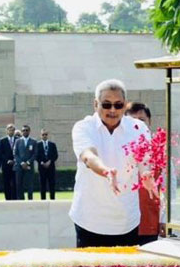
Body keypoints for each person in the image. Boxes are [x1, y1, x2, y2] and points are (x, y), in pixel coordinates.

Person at [70, 79, 157, 248]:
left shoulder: (139, 128)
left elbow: (143, 161)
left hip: (127, 221)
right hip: (89, 219)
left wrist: (146, 174)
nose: (112, 110)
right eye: (106, 104)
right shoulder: (83, 127)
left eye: (118, 105)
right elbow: (88, 156)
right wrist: (106, 171)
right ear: (96, 104)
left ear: (125, 105)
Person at [125, 102, 163, 244]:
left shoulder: (159, 149)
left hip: (149, 221)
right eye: (132, 121)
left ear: (149, 122)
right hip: (123, 222)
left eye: (141, 120)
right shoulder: (120, 149)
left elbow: (168, 185)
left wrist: (165, 219)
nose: (137, 125)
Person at [14, 124, 37, 200]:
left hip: (29, 166)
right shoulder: (17, 141)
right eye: (23, 130)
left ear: (29, 131)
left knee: (30, 185)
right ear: (21, 132)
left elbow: (35, 154)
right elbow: (15, 154)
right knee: (19, 185)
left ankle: (30, 201)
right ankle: (20, 201)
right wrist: (22, 163)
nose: (25, 131)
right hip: (19, 167)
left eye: (27, 130)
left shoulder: (33, 142)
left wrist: (27, 163)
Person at [36, 129, 58, 200]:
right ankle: (43, 200)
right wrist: (42, 162)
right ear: (41, 135)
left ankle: (52, 199)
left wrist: (50, 161)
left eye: (46, 134)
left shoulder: (52, 144)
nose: (44, 136)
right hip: (42, 168)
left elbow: (55, 155)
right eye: (43, 134)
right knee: (42, 184)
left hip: (51, 167)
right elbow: (36, 155)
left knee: (52, 184)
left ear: (48, 135)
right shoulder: (37, 145)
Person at [0, 124, 17, 200]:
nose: (11, 131)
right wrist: (7, 160)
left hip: (15, 165)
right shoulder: (2, 141)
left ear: (14, 131)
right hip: (6, 166)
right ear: (7, 131)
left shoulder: (18, 140)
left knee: (15, 183)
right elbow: (1, 153)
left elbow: (20, 152)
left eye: (12, 129)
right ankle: (7, 199)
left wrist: (14, 160)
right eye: (9, 129)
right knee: (6, 183)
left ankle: (14, 198)